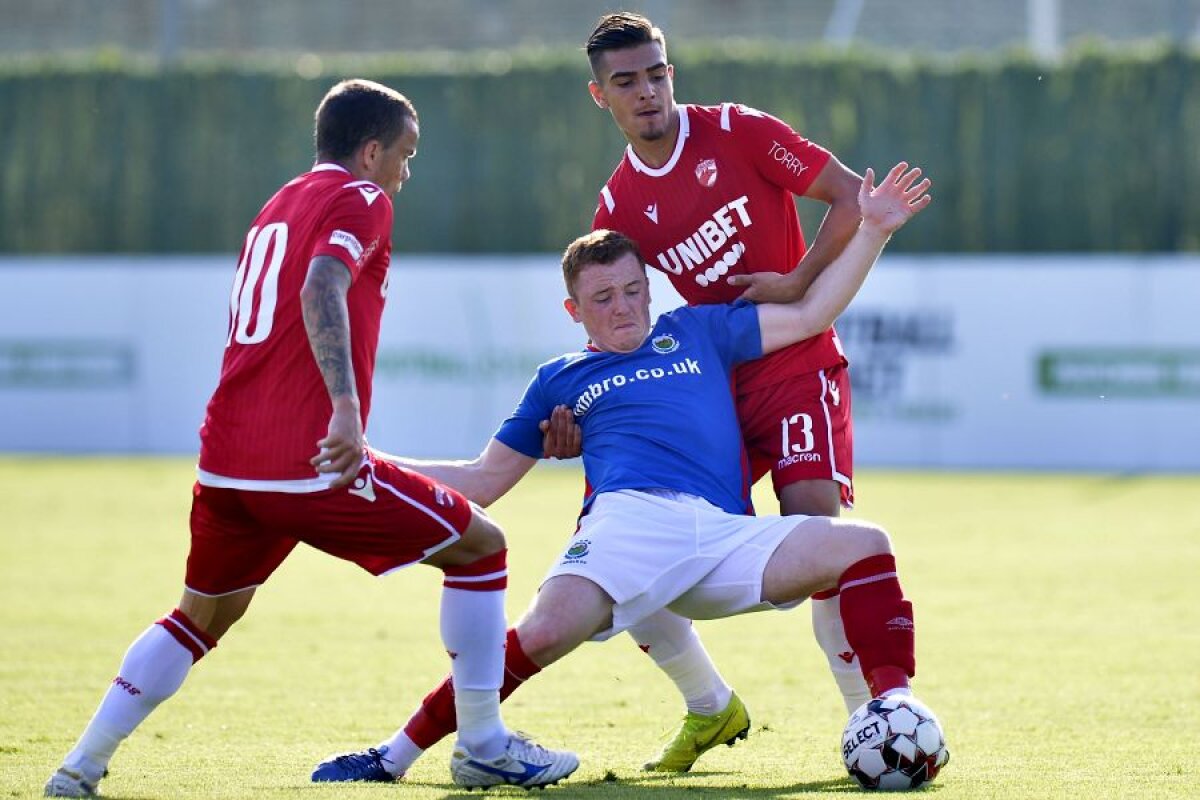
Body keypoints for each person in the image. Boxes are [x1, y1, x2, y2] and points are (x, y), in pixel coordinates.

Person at [311, 161, 934, 783]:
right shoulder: (559, 378)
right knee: (544, 632)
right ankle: (392, 756)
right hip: (626, 528)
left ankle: (893, 705)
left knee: (864, 544)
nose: (624, 307)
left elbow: (810, 315)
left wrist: (873, 230)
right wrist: (368, 462)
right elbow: (481, 480)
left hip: (722, 534)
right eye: (603, 298)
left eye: (634, 289)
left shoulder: (696, 329)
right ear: (573, 308)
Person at [43, 79, 577, 798]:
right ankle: (482, 744)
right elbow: (322, 284)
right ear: (370, 149)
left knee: (198, 618)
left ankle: (78, 769)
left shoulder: (279, 203)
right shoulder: (363, 198)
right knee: (482, 546)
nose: (405, 173)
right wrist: (347, 412)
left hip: (228, 465)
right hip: (307, 462)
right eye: (405, 155)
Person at [543, 10, 880, 772]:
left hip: (792, 361)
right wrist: (580, 413)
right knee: (612, 543)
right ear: (601, 96)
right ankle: (708, 706)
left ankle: (874, 720)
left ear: (672, 71)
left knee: (818, 544)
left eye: (657, 73)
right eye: (626, 81)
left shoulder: (738, 130)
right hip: (708, 387)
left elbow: (854, 197)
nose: (647, 91)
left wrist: (795, 280)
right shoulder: (618, 205)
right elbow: (616, 318)